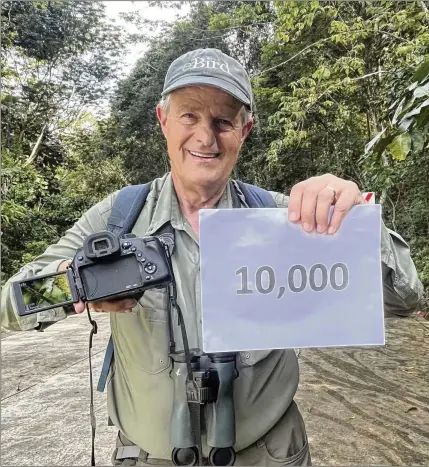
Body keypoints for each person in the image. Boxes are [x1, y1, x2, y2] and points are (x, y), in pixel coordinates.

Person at [1, 48, 423, 466]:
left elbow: (405, 299)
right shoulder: (118, 219)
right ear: (162, 120)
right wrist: (73, 282)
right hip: (151, 456)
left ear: (245, 130)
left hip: (268, 453)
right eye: (189, 115)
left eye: (223, 121)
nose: (205, 137)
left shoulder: (284, 221)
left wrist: (355, 221)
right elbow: (12, 302)